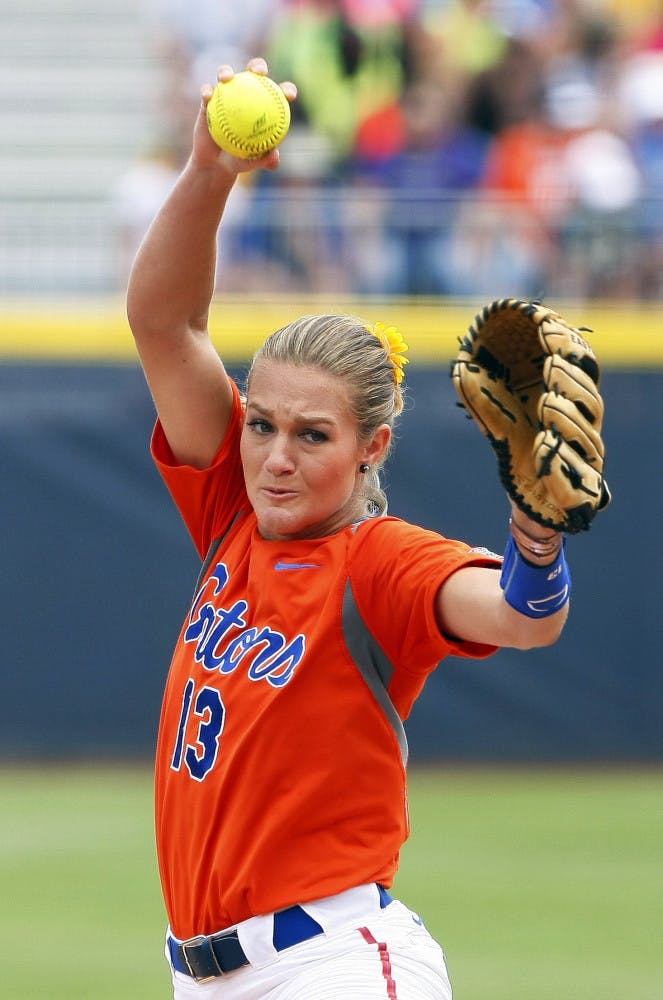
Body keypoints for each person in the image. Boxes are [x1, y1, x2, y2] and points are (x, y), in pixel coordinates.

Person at [126, 57, 571, 1000]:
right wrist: (210, 172)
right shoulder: (232, 515)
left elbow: (521, 616)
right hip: (203, 977)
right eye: (261, 424)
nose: (275, 455)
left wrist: (536, 541)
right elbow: (166, 323)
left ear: (372, 448)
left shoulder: (379, 563)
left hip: (331, 967)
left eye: (311, 435)